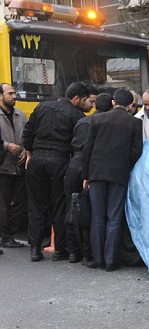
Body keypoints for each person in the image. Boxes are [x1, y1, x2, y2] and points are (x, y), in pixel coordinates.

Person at [22, 82, 92, 262]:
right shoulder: (76, 115)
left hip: (37, 159)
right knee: (60, 205)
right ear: (75, 98)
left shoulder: (42, 107)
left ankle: (35, 249)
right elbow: (78, 143)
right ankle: (60, 249)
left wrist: (30, 154)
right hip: (60, 160)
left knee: (36, 205)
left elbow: (27, 133)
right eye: (85, 99)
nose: (88, 104)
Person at [81, 89, 143, 271]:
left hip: (97, 172)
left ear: (113, 102)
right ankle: (110, 261)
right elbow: (136, 151)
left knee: (97, 217)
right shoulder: (135, 123)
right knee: (114, 218)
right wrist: (125, 165)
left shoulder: (97, 119)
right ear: (130, 104)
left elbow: (87, 149)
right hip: (119, 174)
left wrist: (86, 175)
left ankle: (98, 259)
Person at [64, 92, 113, 264]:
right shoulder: (104, 123)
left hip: (74, 164)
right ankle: (87, 252)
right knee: (90, 210)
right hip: (91, 166)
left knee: (72, 207)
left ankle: (73, 251)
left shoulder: (82, 121)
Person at [0, 83, 27, 249]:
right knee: (3, 204)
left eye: (14, 93)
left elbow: (27, 135)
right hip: (3, 167)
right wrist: (6, 146)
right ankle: (6, 237)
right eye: (10, 93)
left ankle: (9, 233)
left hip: (19, 166)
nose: (14, 96)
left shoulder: (20, 115)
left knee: (20, 203)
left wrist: (26, 150)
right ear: (0, 96)